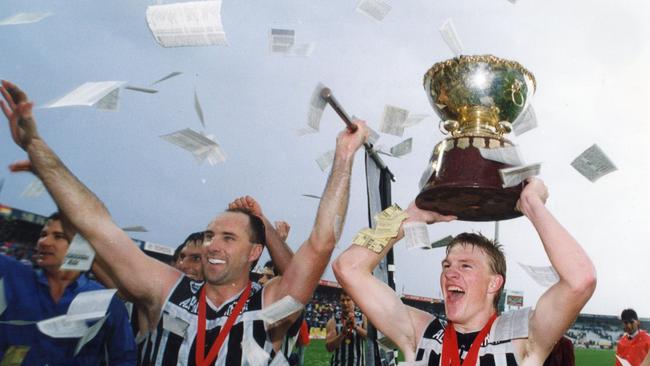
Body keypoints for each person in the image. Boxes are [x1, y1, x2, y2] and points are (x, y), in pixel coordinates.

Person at [1, 80, 369, 365]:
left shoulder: (269, 308)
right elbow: (98, 226)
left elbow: (321, 243)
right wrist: (36, 146)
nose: (212, 245)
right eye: (210, 235)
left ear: (255, 252)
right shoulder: (168, 291)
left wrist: (344, 156)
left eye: (228, 237)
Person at [333, 179, 597, 364]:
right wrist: (411, 215)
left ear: (494, 283)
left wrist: (532, 204)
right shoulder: (422, 334)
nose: (450, 273)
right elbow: (348, 267)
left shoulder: (522, 335)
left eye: (465, 265)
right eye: (446, 265)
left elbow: (580, 279)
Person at [0, 213, 137, 365]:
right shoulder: (13, 277)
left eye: (58, 236)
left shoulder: (106, 302)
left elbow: (124, 359)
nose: (44, 242)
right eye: (43, 234)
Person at [326, 292, 367, 366]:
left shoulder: (362, 318)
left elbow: (370, 339)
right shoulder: (333, 320)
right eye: (342, 300)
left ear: (354, 301)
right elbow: (329, 348)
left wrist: (356, 327)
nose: (345, 303)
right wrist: (342, 334)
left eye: (348, 300)